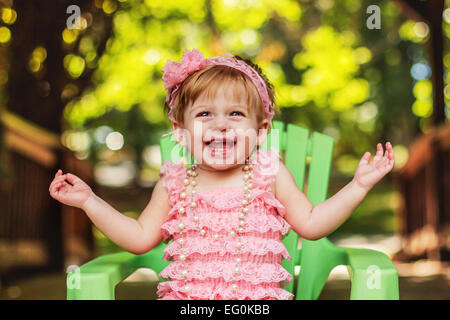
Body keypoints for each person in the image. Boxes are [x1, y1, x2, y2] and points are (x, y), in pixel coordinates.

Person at [49, 49, 395, 300]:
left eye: (234, 113)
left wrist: (358, 186)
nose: (220, 124)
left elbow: (313, 223)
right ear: (180, 131)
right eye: (203, 114)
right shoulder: (175, 181)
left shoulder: (269, 173)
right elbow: (139, 237)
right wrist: (89, 201)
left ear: (260, 131)